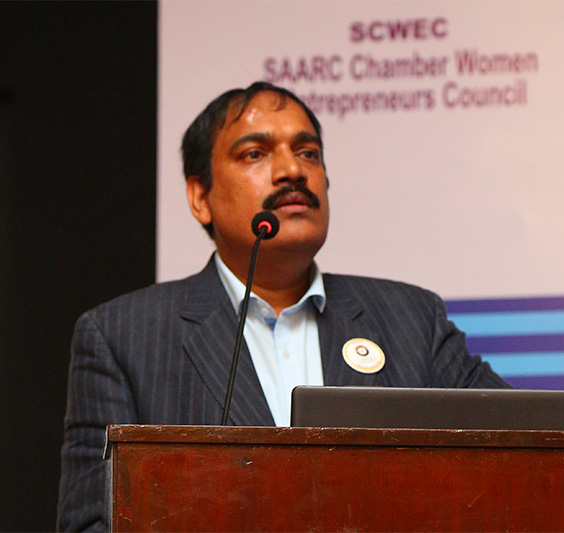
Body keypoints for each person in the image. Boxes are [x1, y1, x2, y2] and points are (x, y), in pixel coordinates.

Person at [57, 82, 510, 531]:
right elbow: (91, 523)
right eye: (255, 153)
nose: (292, 170)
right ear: (200, 197)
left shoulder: (412, 320)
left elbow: (525, 446)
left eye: (308, 153)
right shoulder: (124, 337)